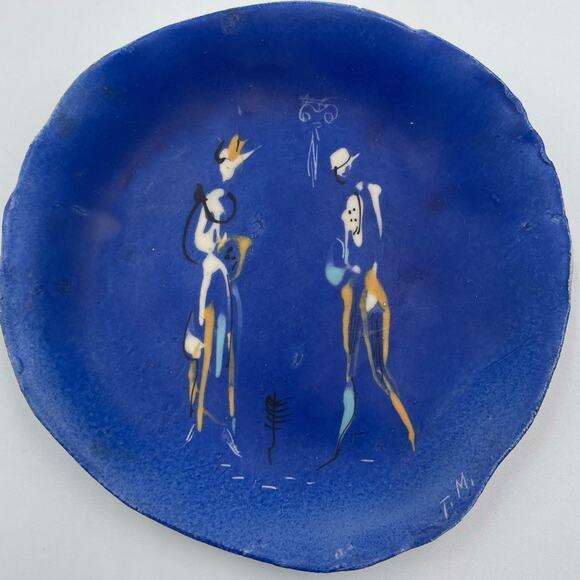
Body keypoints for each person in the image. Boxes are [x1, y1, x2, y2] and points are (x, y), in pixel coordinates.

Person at [319, 147, 415, 469]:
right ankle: (342, 442)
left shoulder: (369, 199)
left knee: (379, 373)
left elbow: (374, 255)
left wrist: (362, 283)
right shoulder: (351, 215)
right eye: (339, 171)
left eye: (344, 168)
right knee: (349, 370)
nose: (345, 217)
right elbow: (343, 268)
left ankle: (410, 435)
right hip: (356, 300)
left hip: (371, 303)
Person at [182, 135, 256, 453]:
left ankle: (224, 424)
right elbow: (197, 240)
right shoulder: (212, 199)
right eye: (225, 161)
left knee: (224, 352)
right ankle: (200, 420)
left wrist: (227, 249)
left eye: (231, 162)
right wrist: (215, 248)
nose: (227, 167)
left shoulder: (235, 198)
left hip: (225, 281)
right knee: (204, 347)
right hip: (211, 280)